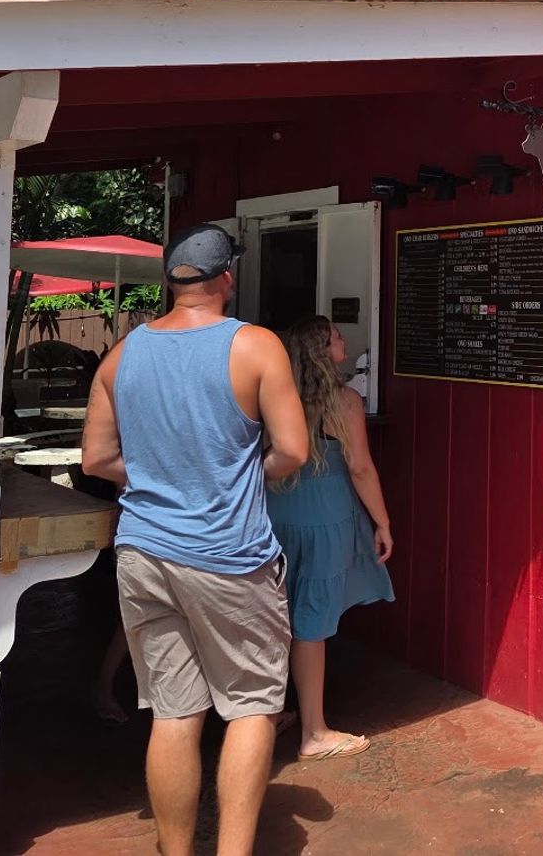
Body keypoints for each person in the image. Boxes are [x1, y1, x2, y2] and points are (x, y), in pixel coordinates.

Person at [81, 223, 309, 856]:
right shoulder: (256, 346)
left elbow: (96, 459)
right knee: (252, 706)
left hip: (144, 553)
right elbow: (292, 450)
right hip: (228, 557)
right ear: (227, 278)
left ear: (171, 282)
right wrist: (229, 479)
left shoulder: (122, 355)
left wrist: (163, 476)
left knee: (174, 714)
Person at [268, 315, 395, 761]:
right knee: (311, 625)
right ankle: (314, 731)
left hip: (275, 516)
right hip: (325, 520)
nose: (344, 340)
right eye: (337, 336)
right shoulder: (344, 401)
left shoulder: (273, 398)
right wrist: (382, 522)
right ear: (322, 350)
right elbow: (361, 468)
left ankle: (273, 710)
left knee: (274, 615)